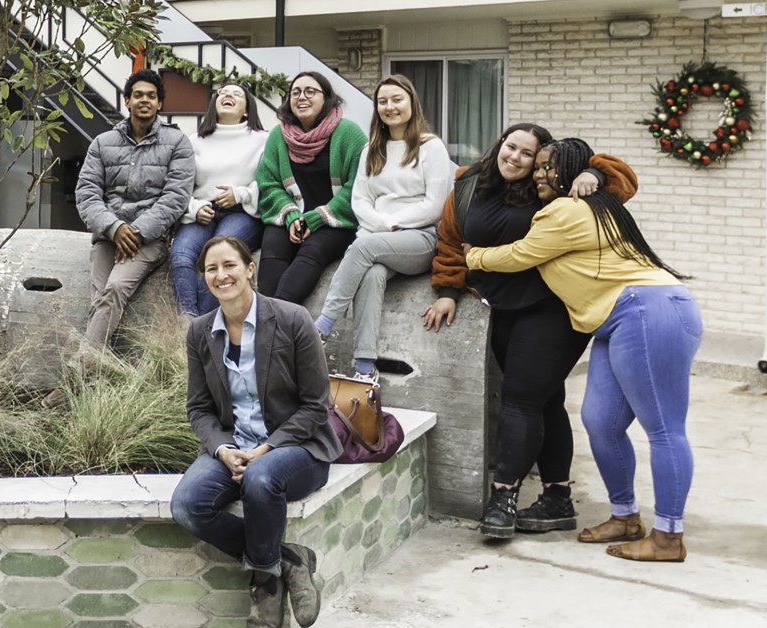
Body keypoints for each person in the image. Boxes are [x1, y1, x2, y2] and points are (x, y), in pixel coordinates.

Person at [463, 137, 698, 562]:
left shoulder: (568, 209)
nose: (537, 173)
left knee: (663, 429)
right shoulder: (593, 204)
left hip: (647, 309)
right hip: (613, 320)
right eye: (537, 166)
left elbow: (522, 255)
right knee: (600, 422)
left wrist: (474, 257)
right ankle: (625, 515)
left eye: (547, 167)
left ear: (569, 172)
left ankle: (668, 537)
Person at [427, 123, 638, 544]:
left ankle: (503, 497)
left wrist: (593, 173)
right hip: (503, 308)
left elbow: (623, 183)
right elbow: (450, 242)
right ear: (499, 145)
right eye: (511, 147)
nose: (516, 158)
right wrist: (448, 290)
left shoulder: (556, 190)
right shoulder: (469, 185)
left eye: (528, 154)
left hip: (554, 309)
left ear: (540, 162)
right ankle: (557, 497)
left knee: (521, 400)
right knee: (545, 400)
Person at [170, 233, 341, 628]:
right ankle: (288, 558)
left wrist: (266, 448)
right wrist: (222, 448)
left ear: (250, 268)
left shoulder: (292, 319)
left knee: (260, 480)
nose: (221, 274)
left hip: (297, 448)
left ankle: (265, 587)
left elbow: (316, 405)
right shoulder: (199, 333)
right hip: (234, 446)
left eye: (229, 265)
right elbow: (199, 409)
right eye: (211, 268)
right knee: (187, 506)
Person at [314, 75, 455, 375]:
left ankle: (321, 328)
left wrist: (389, 224)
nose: (389, 106)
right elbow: (360, 200)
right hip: (378, 239)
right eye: (382, 101)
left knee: (364, 247)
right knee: (372, 275)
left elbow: (435, 205)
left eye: (396, 99)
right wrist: (379, 225)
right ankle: (365, 366)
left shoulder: (431, 147)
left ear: (411, 103)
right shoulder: (372, 149)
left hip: (420, 239)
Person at [75, 68, 197, 349]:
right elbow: (87, 194)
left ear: (160, 104)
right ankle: (94, 376)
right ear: (127, 101)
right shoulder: (102, 143)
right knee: (99, 298)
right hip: (107, 236)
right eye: (138, 95)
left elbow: (176, 198)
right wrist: (115, 227)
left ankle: (77, 372)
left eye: (152, 96)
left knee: (115, 288)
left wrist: (137, 232)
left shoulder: (177, 143)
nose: (145, 100)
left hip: (150, 239)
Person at [251, 71, 366, 304]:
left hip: (335, 222)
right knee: (272, 246)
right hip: (291, 217)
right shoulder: (278, 136)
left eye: (310, 91)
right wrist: (291, 214)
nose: (301, 97)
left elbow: (358, 185)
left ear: (326, 97)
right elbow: (268, 182)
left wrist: (318, 217)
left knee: (313, 250)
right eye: (295, 92)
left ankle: (276, 318)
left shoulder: (349, 134)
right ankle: (263, 315)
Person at [167, 80, 265, 320]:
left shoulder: (264, 139)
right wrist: (195, 208)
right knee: (180, 255)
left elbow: (268, 183)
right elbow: (180, 186)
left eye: (237, 94)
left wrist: (239, 194)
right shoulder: (194, 141)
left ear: (246, 109)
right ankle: (187, 320)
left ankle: (202, 322)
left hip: (243, 212)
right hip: (202, 212)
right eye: (223, 93)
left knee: (222, 254)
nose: (228, 96)